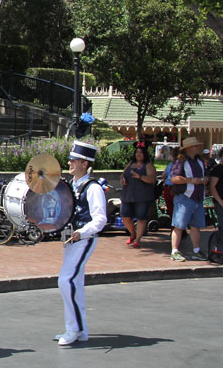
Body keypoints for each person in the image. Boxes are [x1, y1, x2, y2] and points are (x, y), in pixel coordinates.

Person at [55, 140, 107, 346]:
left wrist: (81, 232)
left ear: (85, 164)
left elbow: (100, 219)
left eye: (74, 160)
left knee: (66, 281)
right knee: (74, 283)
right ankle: (78, 329)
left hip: (83, 239)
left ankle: (74, 329)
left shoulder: (93, 188)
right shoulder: (74, 185)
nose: (69, 163)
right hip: (72, 239)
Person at [170, 137, 209, 262]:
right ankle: (174, 250)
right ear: (188, 148)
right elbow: (174, 178)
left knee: (196, 226)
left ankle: (196, 250)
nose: (197, 148)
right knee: (179, 225)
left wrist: (205, 180)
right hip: (184, 197)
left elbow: (204, 175)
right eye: (195, 146)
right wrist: (190, 180)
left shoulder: (199, 161)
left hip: (198, 197)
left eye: (197, 146)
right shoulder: (180, 161)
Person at [119, 142, 157, 247]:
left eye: (141, 152)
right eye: (137, 152)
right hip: (128, 195)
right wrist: (122, 179)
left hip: (142, 196)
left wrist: (140, 177)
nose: (138, 154)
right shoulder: (130, 163)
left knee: (141, 217)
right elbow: (122, 174)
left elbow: (152, 179)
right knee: (125, 216)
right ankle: (132, 234)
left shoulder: (148, 165)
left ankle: (138, 240)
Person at [162, 146, 177, 216]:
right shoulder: (170, 165)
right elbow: (164, 176)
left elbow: (164, 176)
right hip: (168, 188)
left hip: (175, 188)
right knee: (171, 210)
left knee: (174, 210)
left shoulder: (182, 165)